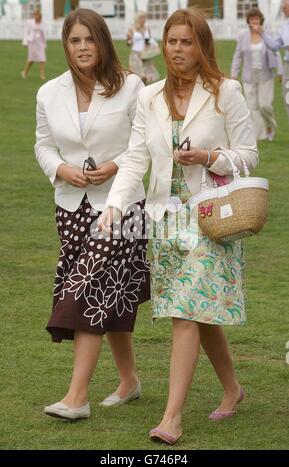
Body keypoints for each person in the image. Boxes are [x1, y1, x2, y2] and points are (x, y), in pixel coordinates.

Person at [99, 7, 258, 444]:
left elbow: (249, 155)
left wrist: (210, 157)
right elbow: (135, 158)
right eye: (172, 42)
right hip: (164, 221)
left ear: (202, 46)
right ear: (163, 45)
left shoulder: (226, 91)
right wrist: (114, 205)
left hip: (210, 215)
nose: (178, 50)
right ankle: (232, 388)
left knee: (186, 314)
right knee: (198, 311)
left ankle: (171, 418)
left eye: (187, 42)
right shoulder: (149, 97)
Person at [35, 8, 150, 420]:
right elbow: (43, 145)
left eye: (90, 39)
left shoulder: (132, 86)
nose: (83, 48)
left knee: (88, 288)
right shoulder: (48, 92)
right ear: (65, 45)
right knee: (110, 291)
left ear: (103, 42)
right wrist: (61, 169)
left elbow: (144, 144)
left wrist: (116, 166)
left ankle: (76, 397)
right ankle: (129, 380)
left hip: (124, 204)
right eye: (74, 40)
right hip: (70, 207)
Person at [231, 7, 283, 141]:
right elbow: (238, 56)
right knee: (252, 107)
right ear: (248, 21)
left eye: (257, 18)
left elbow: (276, 53)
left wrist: (280, 71)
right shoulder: (242, 36)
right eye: (252, 19)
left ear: (260, 20)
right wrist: (234, 73)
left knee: (264, 105)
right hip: (249, 75)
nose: (254, 21)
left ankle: (269, 125)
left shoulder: (268, 34)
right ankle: (259, 136)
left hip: (265, 74)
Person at [250, 0, 289, 122]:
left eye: (285, 7)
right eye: (283, 7)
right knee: (287, 100)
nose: (283, 9)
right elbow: (275, 46)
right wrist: (263, 33)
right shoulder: (284, 26)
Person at [127, 11, 159, 85]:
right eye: (141, 18)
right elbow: (128, 41)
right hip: (135, 55)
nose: (143, 20)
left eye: (144, 18)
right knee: (137, 76)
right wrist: (129, 41)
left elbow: (150, 39)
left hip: (145, 55)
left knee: (146, 76)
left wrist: (155, 44)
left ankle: (145, 90)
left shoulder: (147, 28)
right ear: (137, 18)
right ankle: (137, 91)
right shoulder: (132, 29)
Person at [22, 9, 46, 80]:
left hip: (40, 42)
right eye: (34, 15)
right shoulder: (30, 22)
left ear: (39, 16)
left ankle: (42, 75)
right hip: (32, 42)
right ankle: (25, 72)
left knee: (42, 59)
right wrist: (25, 42)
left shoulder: (42, 23)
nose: (35, 16)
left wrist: (44, 44)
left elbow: (43, 34)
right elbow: (26, 32)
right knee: (31, 59)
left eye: (36, 15)